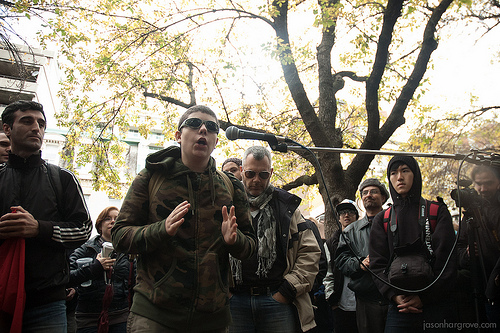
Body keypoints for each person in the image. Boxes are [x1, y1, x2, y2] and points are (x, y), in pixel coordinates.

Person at [111, 105, 256, 332]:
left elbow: (250, 247)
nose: (203, 130)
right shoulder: (151, 176)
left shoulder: (231, 186)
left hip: (212, 319)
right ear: (178, 135)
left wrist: (234, 241)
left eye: (211, 127)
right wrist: (161, 229)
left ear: (216, 141)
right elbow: (119, 236)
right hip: (154, 315)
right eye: (194, 124)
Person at [0, 100, 92, 332]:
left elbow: (83, 228)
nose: (36, 128)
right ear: (7, 128)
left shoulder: (62, 178)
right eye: (27, 121)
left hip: (47, 304)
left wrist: (39, 228)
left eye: (41, 124)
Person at [229, 145, 321, 333]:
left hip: (276, 300)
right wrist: (225, 292)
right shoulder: (228, 202)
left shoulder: (287, 207)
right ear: (241, 171)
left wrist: (287, 292)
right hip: (234, 301)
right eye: (250, 173)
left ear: (271, 172)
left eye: (263, 175)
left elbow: (309, 252)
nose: (256, 180)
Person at [369, 156, 456, 333]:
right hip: (399, 308)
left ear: (415, 174)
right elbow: (377, 264)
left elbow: (447, 261)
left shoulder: (436, 211)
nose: (399, 177)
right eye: (393, 173)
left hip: (436, 304)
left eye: (405, 171)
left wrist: (425, 297)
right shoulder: (382, 219)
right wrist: (394, 296)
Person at [335, 179, 390, 333]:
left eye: (373, 191)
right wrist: (359, 264)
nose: (368, 195)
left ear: (383, 197)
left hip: (394, 297)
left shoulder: (395, 223)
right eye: (364, 193)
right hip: (367, 300)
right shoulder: (350, 231)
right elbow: (341, 260)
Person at [69, 206, 135, 333]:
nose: (112, 221)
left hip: (120, 317)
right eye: (107, 218)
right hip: (88, 318)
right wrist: (95, 267)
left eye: (117, 219)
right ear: (99, 225)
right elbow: (68, 277)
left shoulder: (128, 252)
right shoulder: (85, 250)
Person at [456, 165, 500, 331]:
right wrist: (467, 254)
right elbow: (458, 248)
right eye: (478, 184)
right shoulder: (472, 213)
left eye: (488, 183)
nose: (483, 189)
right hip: (482, 289)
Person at [324, 199, 359, 333]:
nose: (346, 215)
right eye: (343, 212)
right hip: (341, 305)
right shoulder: (330, 244)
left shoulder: (367, 237)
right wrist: (332, 300)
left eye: (350, 212)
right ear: (338, 218)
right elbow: (328, 274)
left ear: (356, 215)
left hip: (365, 304)